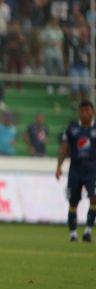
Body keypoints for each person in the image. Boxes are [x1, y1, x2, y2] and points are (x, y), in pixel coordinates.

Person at [56, 100, 95, 243]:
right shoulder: (72, 129)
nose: (85, 113)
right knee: (73, 202)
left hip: (92, 171)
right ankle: (73, 234)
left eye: (88, 110)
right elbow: (64, 148)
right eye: (82, 110)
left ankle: (88, 231)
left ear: (93, 112)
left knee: (94, 199)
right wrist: (59, 166)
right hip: (75, 171)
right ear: (79, 113)